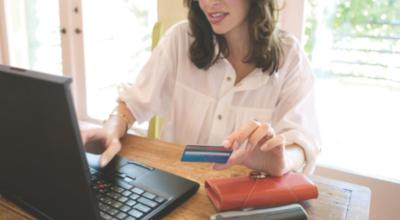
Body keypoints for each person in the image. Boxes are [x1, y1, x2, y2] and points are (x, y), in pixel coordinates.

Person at [81, 0, 321, 176]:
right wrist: (112, 128)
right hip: (176, 185)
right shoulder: (180, 39)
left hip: (245, 197)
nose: (209, 3)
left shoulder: (290, 57)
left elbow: (303, 141)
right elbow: (133, 103)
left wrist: (282, 161)